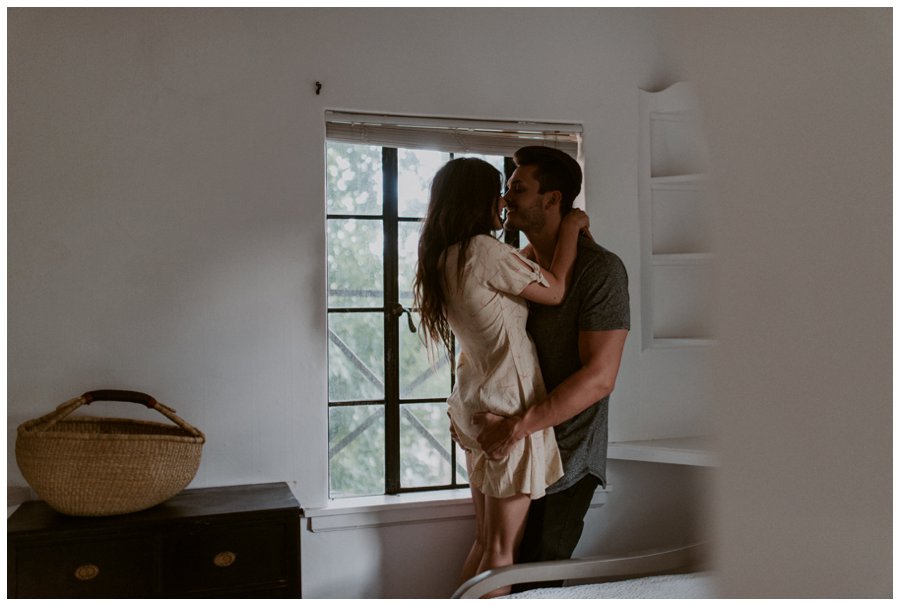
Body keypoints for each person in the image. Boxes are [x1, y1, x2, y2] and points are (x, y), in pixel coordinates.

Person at [412, 157, 589, 597]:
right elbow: (555, 290)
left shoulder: (447, 256)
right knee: (502, 555)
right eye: (499, 190)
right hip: (508, 407)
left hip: (475, 403)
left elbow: (510, 277)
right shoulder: (484, 252)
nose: (505, 200)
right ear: (477, 199)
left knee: (485, 541)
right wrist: (569, 230)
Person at [473, 146, 630, 582]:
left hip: (568, 455)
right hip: (517, 448)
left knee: (535, 579)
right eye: (507, 190)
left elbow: (600, 378)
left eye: (518, 189)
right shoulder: (517, 268)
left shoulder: (601, 271)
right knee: (498, 567)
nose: (506, 200)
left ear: (553, 199)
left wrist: (517, 426)